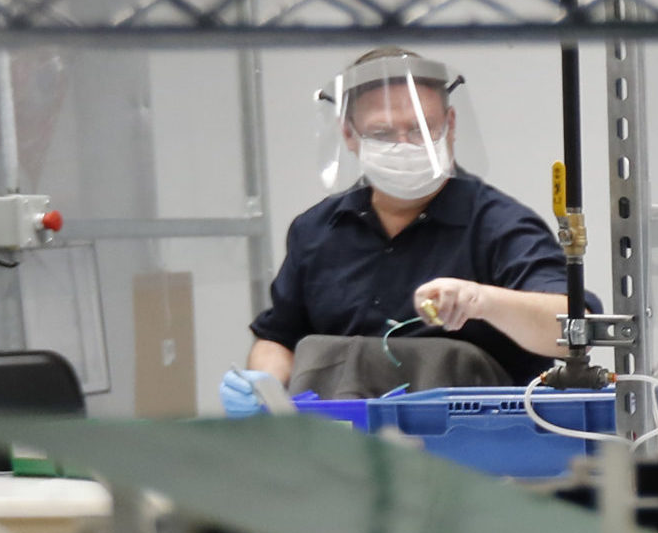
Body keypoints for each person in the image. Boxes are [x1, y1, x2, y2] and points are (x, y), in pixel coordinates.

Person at [221, 48, 584, 414]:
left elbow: (570, 326)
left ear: (451, 125)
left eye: (421, 129)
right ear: (348, 134)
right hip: (339, 449)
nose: (405, 145)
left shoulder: (498, 225)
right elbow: (279, 337)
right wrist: (263, 384)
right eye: (382, 132)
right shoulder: (316, 231)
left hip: (469, 450)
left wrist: (483, 301)